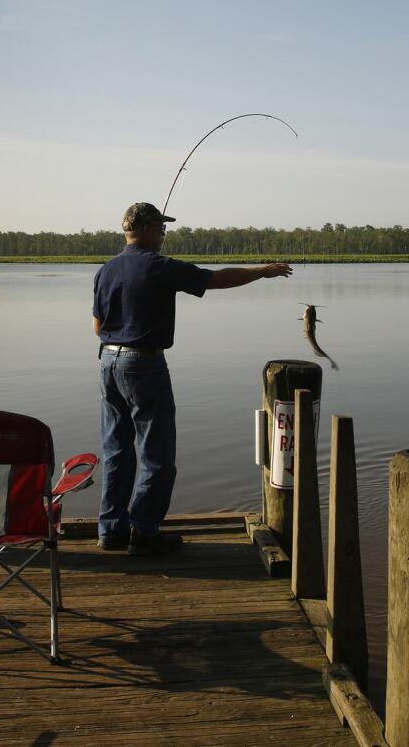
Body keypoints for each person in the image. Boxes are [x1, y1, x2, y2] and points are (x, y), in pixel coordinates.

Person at [92, 202, 293, 556]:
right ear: (150, 228)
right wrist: (261, 272)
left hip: (108, 362)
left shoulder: (106, 271)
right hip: (143, 365)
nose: (165, 234)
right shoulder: (158, 267)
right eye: (163, 228)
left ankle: (111, 532)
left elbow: (97, 326)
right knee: (157, 453)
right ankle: (146, 533)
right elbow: (215, 279)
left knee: (116, 451)